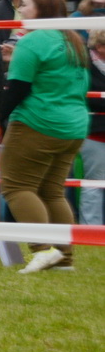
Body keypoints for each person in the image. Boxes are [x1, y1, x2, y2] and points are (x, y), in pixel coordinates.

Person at [0, 0, 91, 273]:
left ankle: (42, 249)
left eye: (24, 5)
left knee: (16, 187)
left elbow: (17, 88)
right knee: (52, 191)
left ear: (40, 9)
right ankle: (64, 257)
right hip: (74, 125)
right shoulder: (73, 39)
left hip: (38, 123)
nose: (21, 10)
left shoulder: (32, 40)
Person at [81, 29, 105, 226]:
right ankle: (91, 229)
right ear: (99, 47)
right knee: (94, 183)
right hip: (94, 134)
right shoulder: (84, 66)